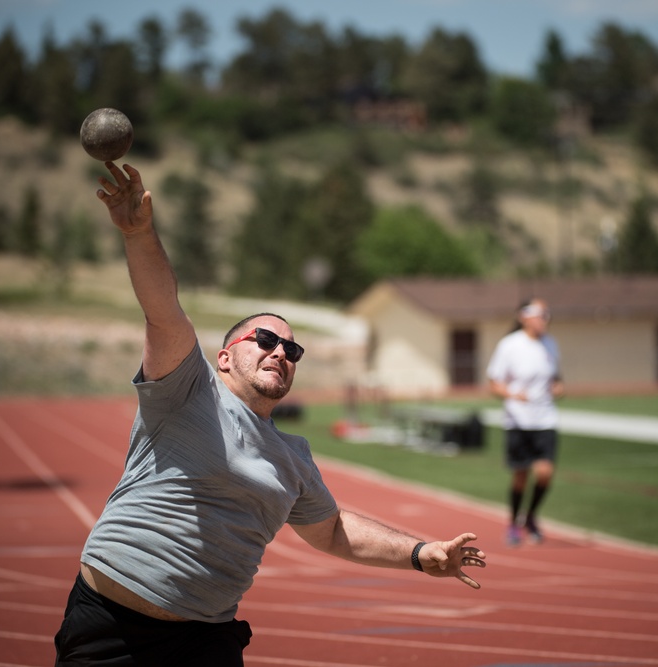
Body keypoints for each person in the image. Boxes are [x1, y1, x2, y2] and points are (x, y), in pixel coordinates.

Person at [53, 162, 487, 666]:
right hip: (110, 626)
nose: (280, 351)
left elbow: (332, 531)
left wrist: (420, 553)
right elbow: (163, 309)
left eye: (292, 350)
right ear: (224, 356)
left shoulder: (293, 455)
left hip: (204, 641)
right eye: (265, 339)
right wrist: (138, 233)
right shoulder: (185, 389)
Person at [486, 298, 564, 547]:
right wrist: (512, 394)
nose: (545, 319)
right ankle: (513, 523)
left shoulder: (550, 344)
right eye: (541, 313)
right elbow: (494, 383)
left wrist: (558, 386)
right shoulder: (510, 345)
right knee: (521, 475)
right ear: (524, 316)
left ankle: (530, 516)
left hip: (545, 418)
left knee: (544, 473)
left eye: (547, 314)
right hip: (518, 420)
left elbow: (556, 377)